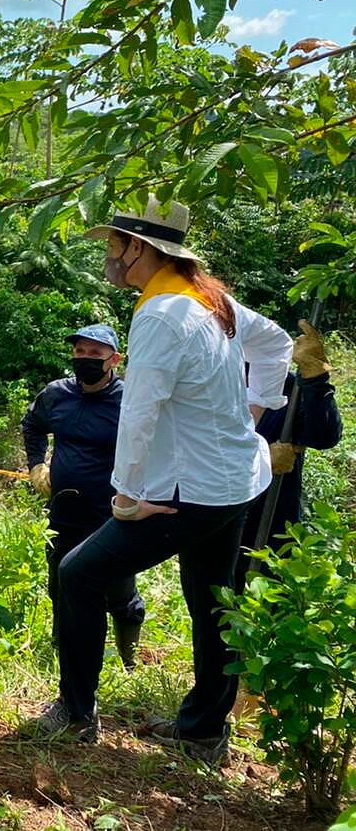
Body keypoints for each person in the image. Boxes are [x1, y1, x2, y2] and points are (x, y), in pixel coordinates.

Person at [29, 197, 291, 766]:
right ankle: (203, 731)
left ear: (138, 249)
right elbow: (277, 343)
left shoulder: (161, 315)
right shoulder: (208, 299)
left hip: (191, 490)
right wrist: (252, 413)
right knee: (212, 600)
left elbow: (139, 411)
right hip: (235, 482)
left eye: (112, 245)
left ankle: (76, 713)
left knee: (77, 574)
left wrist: (126, 496)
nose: (107, 255)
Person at [22, 324, 145, 668]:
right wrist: (36, 465)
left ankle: (129, 660)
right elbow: (32, 425)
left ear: (114, 360)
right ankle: (64, 656)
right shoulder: (57, 394)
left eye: (94, 353)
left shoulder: (130, 400)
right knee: (61, 584)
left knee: (119, 591)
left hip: (112, 514)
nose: (84, 359)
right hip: (64, 511)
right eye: (79, 352)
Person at [233, 318, 343, 592]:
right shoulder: (210, 386)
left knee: (275, 605)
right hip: (217, 523)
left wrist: (316, 377)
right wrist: (260, 459)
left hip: (274, 523)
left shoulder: (290, 390)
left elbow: (324, 435)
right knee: (215, 609)